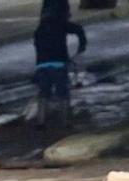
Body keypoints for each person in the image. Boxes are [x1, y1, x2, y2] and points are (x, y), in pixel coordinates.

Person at [33, 0, 87, 128]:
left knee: (43, 93)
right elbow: (79, 30)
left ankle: (40, 122)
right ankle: (64, 122)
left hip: (42, 65)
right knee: (63, 94)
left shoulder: (39, 30)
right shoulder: (61, 24)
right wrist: (82, 46)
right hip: (59, 64)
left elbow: (38, 46)